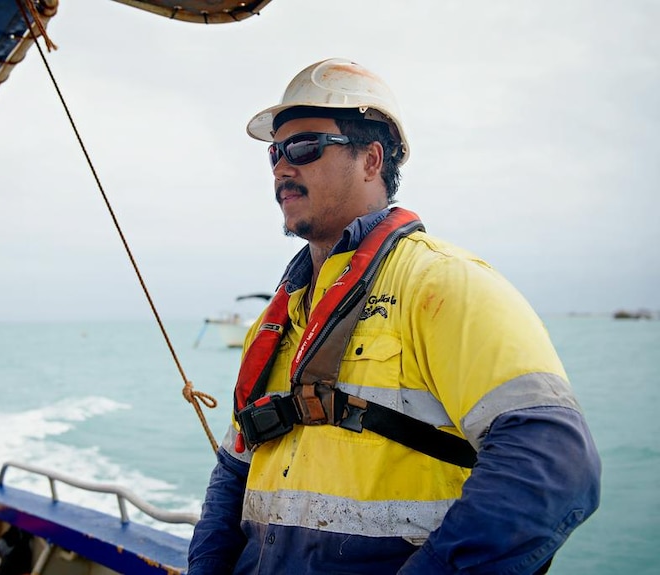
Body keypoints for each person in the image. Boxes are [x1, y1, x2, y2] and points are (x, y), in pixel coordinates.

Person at [187, 58, 601, 574]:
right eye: (275, 152)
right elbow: (234, 471)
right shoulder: (279, 319)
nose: (280, 168)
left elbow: (553, 465)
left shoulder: (442, 283)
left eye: (304, 146)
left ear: (371, 159)